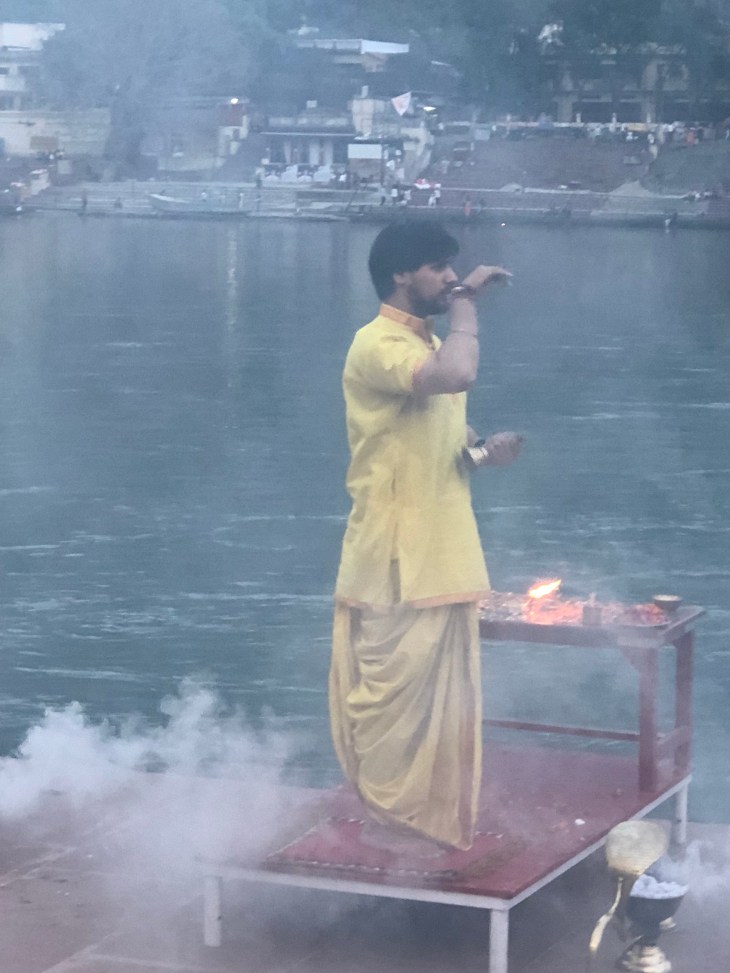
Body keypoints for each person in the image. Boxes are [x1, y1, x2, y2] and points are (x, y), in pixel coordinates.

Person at [329, 221, 522, 852]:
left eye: (451, 269)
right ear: (400, 275)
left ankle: (429, 830)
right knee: (388, 704)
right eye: (438, 268)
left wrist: (483, 453)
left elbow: (443, 444)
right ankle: (390, 829)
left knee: (440, 711)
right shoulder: (377, 345)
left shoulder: (429, 345)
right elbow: (457, 374)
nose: (449, 278)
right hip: (394, 560)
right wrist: (466, 301)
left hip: (441, 555)